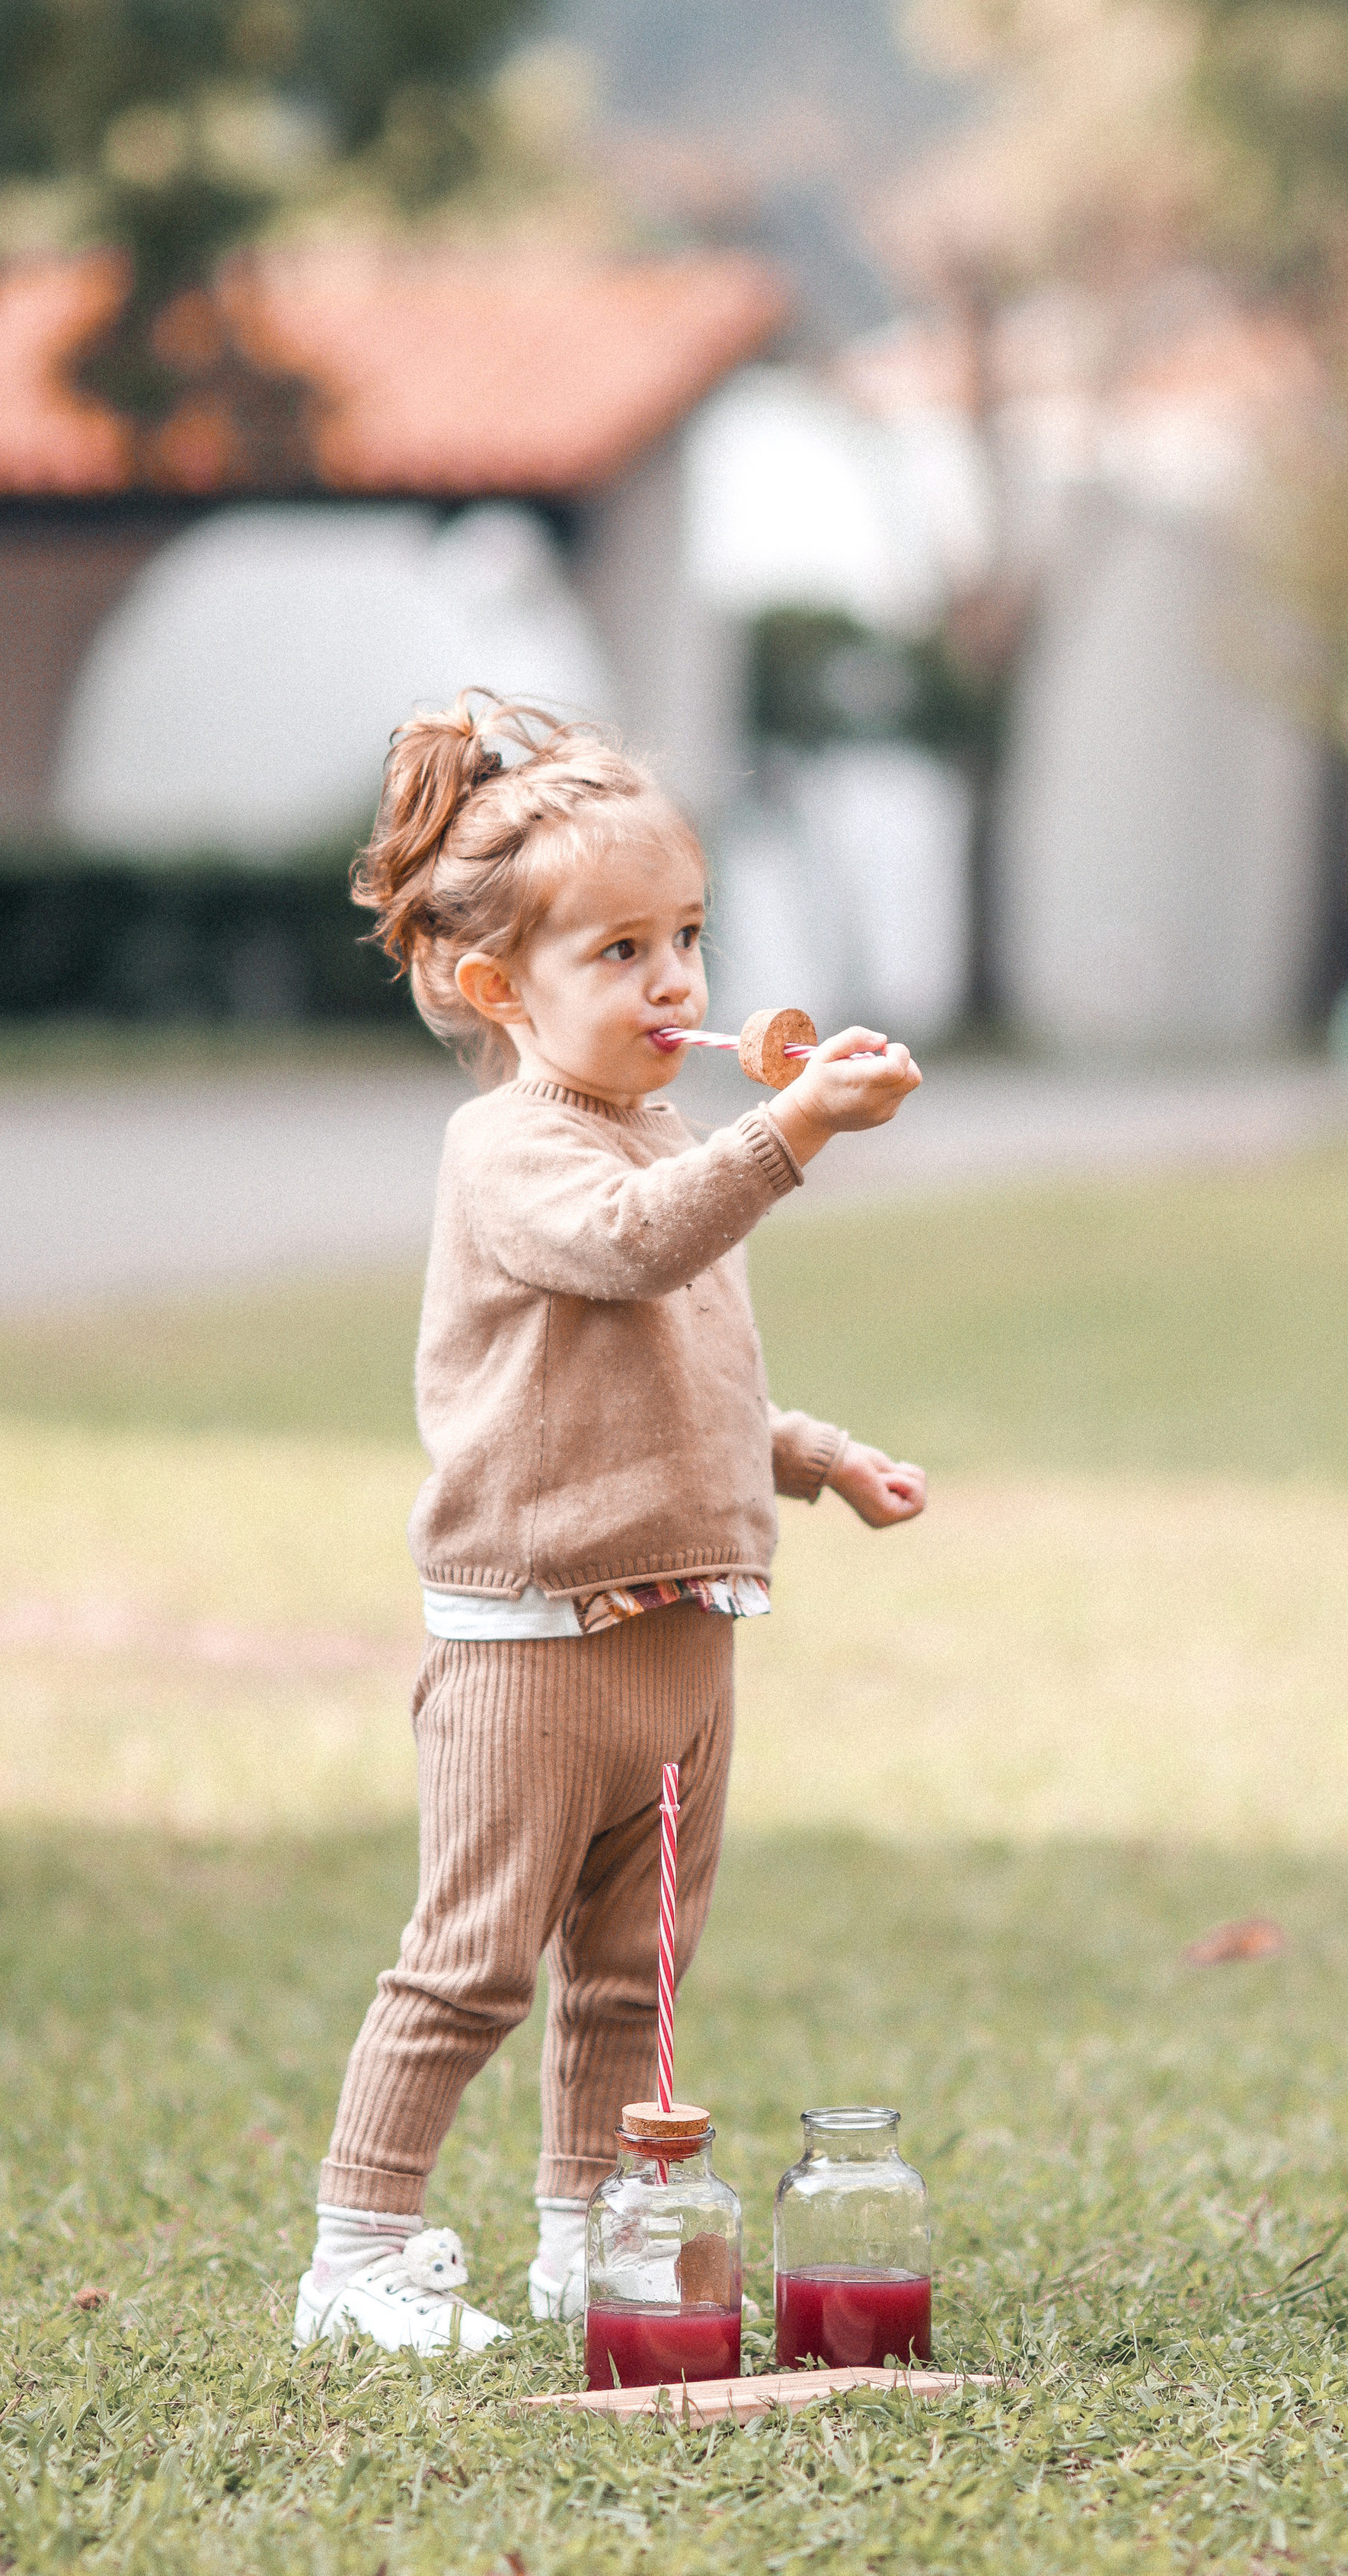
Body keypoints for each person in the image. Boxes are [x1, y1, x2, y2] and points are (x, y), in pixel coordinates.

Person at [295, 694, 926, 2355]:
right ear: (499, 989)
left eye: (689, 938)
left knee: (633, 1980)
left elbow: (670, 1380)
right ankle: (356, 2258)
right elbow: (636, 1246)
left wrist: (813, 1458)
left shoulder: (662, 1136)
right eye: (621, 950)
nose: (675, 986)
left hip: (684, 1629)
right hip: (537, 1643)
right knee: (472, 1963)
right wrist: (794, 1128)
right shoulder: (509, 1149)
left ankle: (589, 2238)